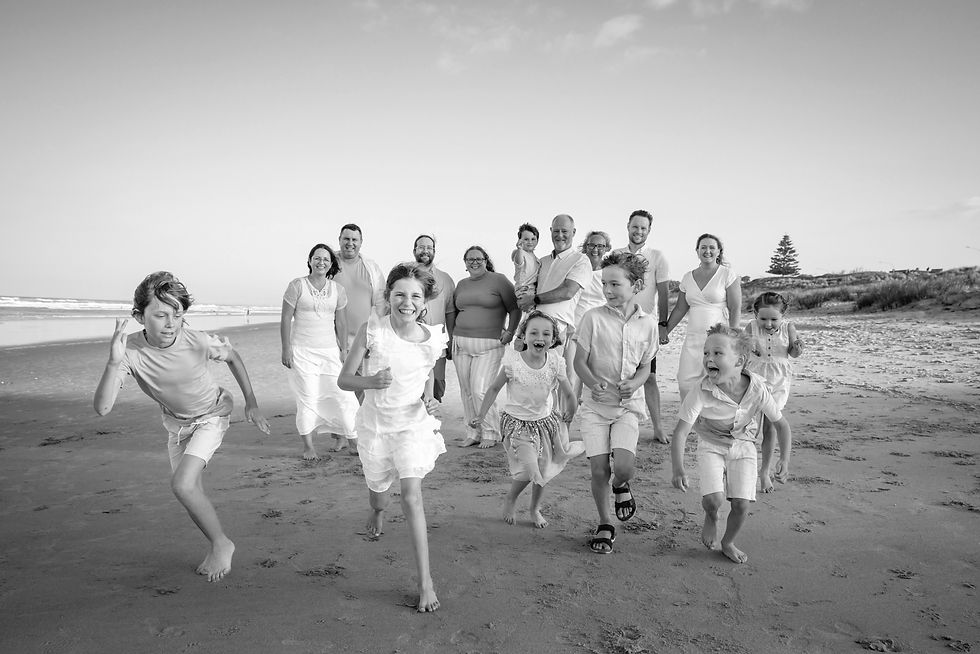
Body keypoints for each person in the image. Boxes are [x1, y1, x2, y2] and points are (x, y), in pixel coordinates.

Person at [93, 272, 271, 582]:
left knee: (182, 485)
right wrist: (113, 364)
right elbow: (103, 408)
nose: (171, 323)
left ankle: (222, 544)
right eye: (160, 315)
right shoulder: (131, 352)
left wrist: (251, 402)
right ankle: (216, 544)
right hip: (176, 426)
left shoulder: (198, 340)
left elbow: (233, 357)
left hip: (212, 415)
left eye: (177, 314)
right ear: (139, 316)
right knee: (191, 492)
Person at [337, 263, 448, 613]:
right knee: (380, 496)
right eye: (399, 293)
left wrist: (430, 400)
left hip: (412, 425)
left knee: (412, 497)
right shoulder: (374, 331)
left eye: (415, 295)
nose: (407, 301)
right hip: (377, 426)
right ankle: (377, 512)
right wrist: (370, 382)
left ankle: (426, 582)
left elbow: (427, 376)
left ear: (424, 300)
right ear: (388, 296)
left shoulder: (432, 337)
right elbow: (345, 379)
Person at [669, 323, 791, 564]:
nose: (708, 358)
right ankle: (711, 516)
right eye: (706, 353)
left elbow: (781, 425)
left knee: (742, 504)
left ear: (739, 361)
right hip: (711, 445)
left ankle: (728, 542)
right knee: (713, 500)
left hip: (744, 446)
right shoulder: (701, 390)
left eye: (717, 353)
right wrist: (678, 469)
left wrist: (784, 459)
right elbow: (681, 432)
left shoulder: (757, 387)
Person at [573, 252, 658, 554]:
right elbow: (579, 362)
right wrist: (593, 383)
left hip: (627, 408)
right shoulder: (592, 318)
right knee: (599, 471)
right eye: (605, 284)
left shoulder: (648, 325)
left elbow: (646, 366)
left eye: (615, 284)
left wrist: (635, 383)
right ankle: (605, 522)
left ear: (635, 285)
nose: (608, 290)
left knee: (624, 467)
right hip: (595, 408)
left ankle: (621, 486)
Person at [470, 311, 584, 528]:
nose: (539, 337)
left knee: (543, 471)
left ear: (553, 339)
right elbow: (494, 388)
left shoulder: (555, 363)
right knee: (533, 469)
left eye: (546, 333)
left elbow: (569, 393)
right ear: (523, 336)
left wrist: (571, 411)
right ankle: (511, 499)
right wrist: (481, 415)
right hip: (517, 426)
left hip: (546, 424)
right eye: (533, 332)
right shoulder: (513, 364)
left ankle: (534, 508)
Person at [280, 243, 359, 460]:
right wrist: (286, 348)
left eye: (326, 259)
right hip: (302, 351)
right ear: (310, 260)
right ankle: (308, 447)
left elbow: (341, 323)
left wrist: (343, 350)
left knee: (344, 396)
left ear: (331, 264)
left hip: (330, 352)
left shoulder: (337, 290)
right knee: (308, 398)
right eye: (317, 258)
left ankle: (353, 441)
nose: (321, 262)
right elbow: (286, 318)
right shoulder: (297, 285)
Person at [452, 245, 521, 448]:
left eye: (478, 259)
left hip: (490, 345)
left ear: (485, 260)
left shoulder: (498, 280)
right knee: (466, 391)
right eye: (470, 259)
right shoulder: (461, 284)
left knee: (480, 389)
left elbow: (514, 308)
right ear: (465, 263)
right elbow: (455, 312)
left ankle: (491, 432)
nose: (474, 262)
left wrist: (510, 332)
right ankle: (472, 432)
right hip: (461, 343)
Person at [613, 210, 671, 443]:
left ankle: (657, 427)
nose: (638, 231)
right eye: (635, 227)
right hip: (618, 322)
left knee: (649, 377)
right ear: (628, 226)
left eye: (643, 228)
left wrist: (664, 325)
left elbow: (664, 293)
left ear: (649, 231)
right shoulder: (616, 255)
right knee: (616, 374)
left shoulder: (657, 257)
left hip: (646, 325)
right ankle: (615, 424)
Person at [664, 233, 742, 401]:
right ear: (697, 251)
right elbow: (679, 309)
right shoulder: (687, 277)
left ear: (719, 251)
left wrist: (734, 336)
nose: (707, 251)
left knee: (718, 379)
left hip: (718, 338)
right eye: (703, 247)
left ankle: (716, 421)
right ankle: (691, 421)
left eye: (712, 247)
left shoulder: (727, 274)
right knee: (685, 381)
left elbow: (735, 307)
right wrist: (665, 331)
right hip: (693, 337)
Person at [746, 292, 803, 492]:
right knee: (748, 425)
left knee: (770, 425)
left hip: (778, 381)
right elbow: (743, 348)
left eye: (773, 319)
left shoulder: (789, 328)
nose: (768, 324)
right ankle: (745, 468)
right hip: (755, 378)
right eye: (763, 319)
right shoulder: (751, 327)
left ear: (783, 315)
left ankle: (765, 472)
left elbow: (793, 353)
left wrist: (797, 347)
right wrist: (750, 347)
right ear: (755, 314)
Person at [412, 234, 456, 403]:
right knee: (412, 383)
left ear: (434, 251)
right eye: (421, 247)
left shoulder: (445, 279)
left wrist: (451, 339)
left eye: (429, 248)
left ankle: (430, 421)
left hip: (437, 342)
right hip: (411, 341)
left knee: (437, 383)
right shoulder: (406, 275)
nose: (425, 251)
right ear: (414, 250)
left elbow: (450, 311)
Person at [568, 230, 610, 402]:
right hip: (575, 328)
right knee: (572, 376)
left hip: (600, 330)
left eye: (600, 246)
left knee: (598, 376)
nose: (595, 249)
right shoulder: (576, 267)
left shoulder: (608, 273)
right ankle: (567, 418)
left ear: (607, 248)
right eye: (592, 245)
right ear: (585, 247)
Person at [334, 223, 386, 352]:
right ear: (339, 239)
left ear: (361, 242)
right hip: (334, 341)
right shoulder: (329, 264)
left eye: (354, 239)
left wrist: (374, 337)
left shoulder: (372, 268)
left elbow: (381, 305)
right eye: (346, 238)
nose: (350, 243)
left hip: (364, 341)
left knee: (364, 373)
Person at [511, 222, 540, 295]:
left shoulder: (536, 259)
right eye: (526, 239)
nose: (530, 242)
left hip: (533, 291)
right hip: (523, 291)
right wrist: (519, 249)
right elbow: (519, 263)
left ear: (537, 240)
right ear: (520, 240)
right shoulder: (520, 253)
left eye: (533, 239)